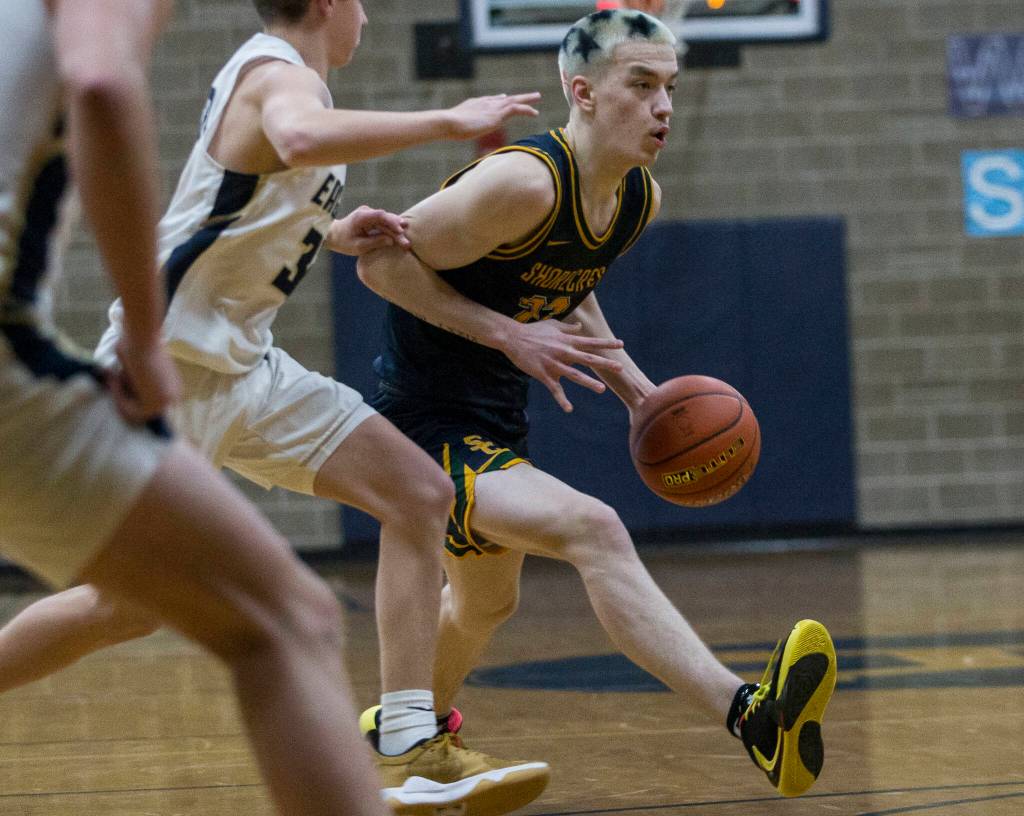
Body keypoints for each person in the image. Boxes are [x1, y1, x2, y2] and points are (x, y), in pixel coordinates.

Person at [0, 0, 552, 813]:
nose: (365, 16)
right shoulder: (279, 77)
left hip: (249, 369)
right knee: (123, 609)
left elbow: (240, 191)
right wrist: (447, 117)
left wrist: (334, 228)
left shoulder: (280, 81)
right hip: (175, 366)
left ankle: (412, 735)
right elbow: (293, 140)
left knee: (418, 494)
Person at [355, 9, 838, 799]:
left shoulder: (635, 199)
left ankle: (405, 739)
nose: (664, 107)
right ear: (581, 93)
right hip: (418, 426)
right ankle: (753, 718)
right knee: (595, 528)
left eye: (670, 88)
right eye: (641, 85)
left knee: (483, 604)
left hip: (492, 421)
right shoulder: (520, 183)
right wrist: (508, 336)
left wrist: (638, 392)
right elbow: (379, 265)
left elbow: (568, 295)